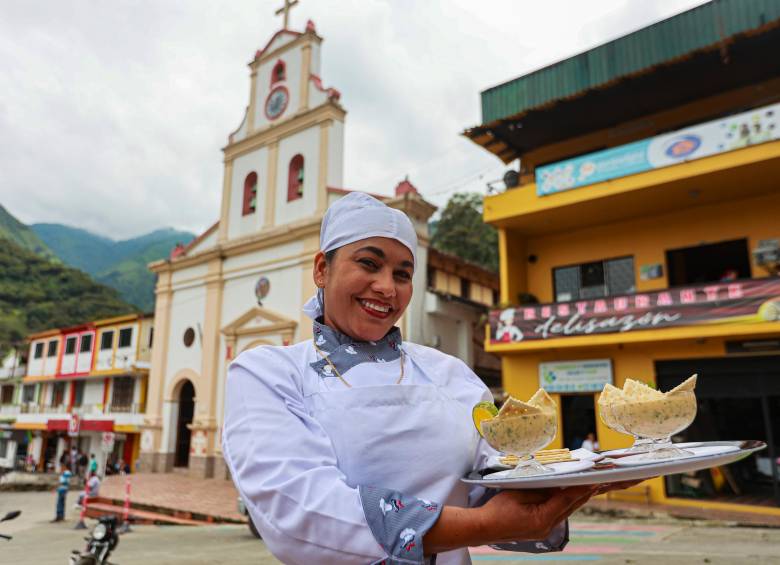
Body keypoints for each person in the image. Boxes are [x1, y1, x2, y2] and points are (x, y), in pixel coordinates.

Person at [223, 193, 639, 564]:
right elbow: (299, 511)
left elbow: (494, 483)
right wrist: (485, 525)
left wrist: (576, 481)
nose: (387, 287)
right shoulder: (267, 373)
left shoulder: (451, 374)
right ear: (321, 269)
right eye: (369, 263)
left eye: (402, 274)